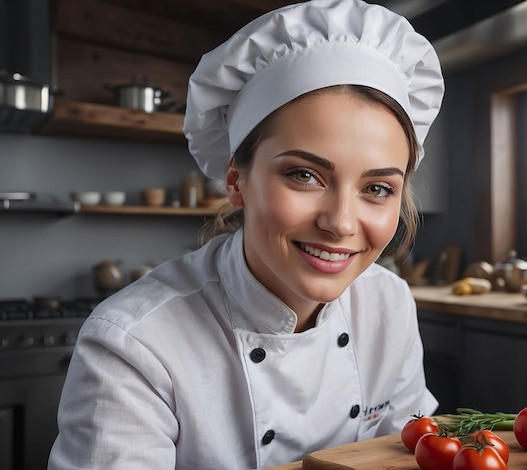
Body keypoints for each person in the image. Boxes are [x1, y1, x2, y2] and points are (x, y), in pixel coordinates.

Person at [48, 0, 444, 468]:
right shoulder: (135, 344)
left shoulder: (387, 303)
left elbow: (404, 456)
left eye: (377, 187)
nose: (340, 222)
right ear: (236, 180)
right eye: (304, 175)